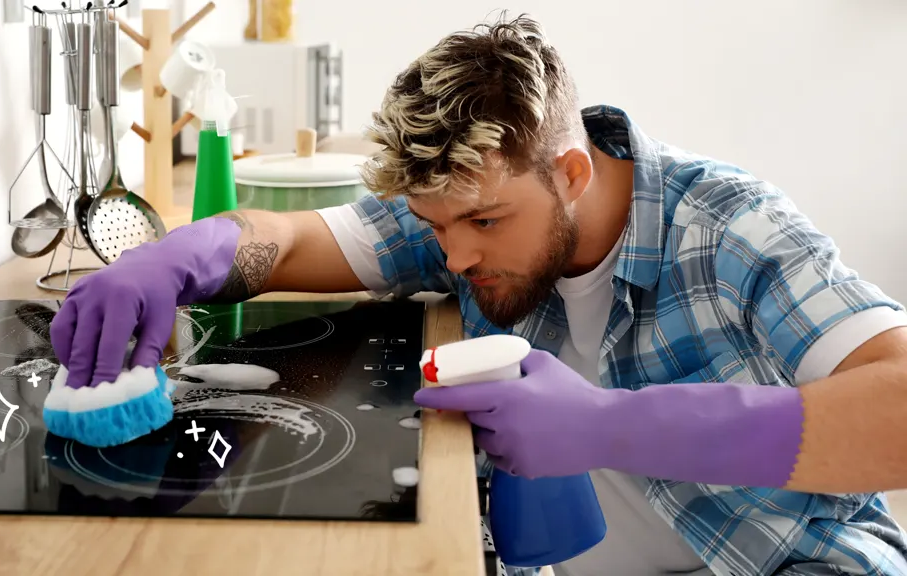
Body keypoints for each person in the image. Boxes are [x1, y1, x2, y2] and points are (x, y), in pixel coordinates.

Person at [49, 13, 907, 576]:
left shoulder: (729, 229)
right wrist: (180, 258)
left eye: (485, 224)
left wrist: (612, 427)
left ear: (570, 173)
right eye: (436, 224)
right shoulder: (464, 208)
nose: (455, 255)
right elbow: (296, 240)